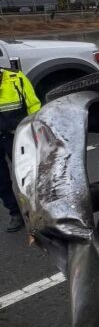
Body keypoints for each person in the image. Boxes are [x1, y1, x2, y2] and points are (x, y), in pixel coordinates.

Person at [0, 65, 40, 232]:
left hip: (16, 135)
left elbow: (33, 104)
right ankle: (15, 212)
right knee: (1, 180)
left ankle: (36, 211)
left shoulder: (15, 78)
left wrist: (35, 130)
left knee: (26, 175)